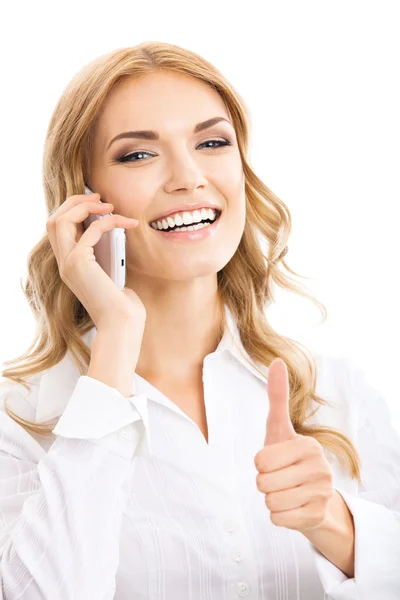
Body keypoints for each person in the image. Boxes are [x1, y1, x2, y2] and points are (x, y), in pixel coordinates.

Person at [0, 41, 399, 600]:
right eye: (138, 155)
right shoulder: (18, 416)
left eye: (212, 143)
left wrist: (335, 524)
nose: (188, 177)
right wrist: (114, 342)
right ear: (85, 199)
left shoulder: (337, 392)